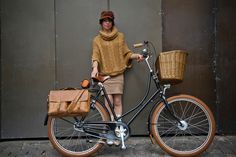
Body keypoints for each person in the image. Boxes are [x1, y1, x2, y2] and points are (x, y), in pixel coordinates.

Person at [91, 10, 144, 121]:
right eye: (104, 20)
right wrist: (95, 68)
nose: (107, 23)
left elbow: (126, 52)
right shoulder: (97, 40)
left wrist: (137, 56)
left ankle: (118, 127)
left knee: (117, 102)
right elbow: (95, 55)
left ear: (112, 22)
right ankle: (109, 129)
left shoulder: (120, 36)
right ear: (101, 23)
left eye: (109, 20)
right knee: (108, 103)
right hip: (105, 76)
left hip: (118, 75)